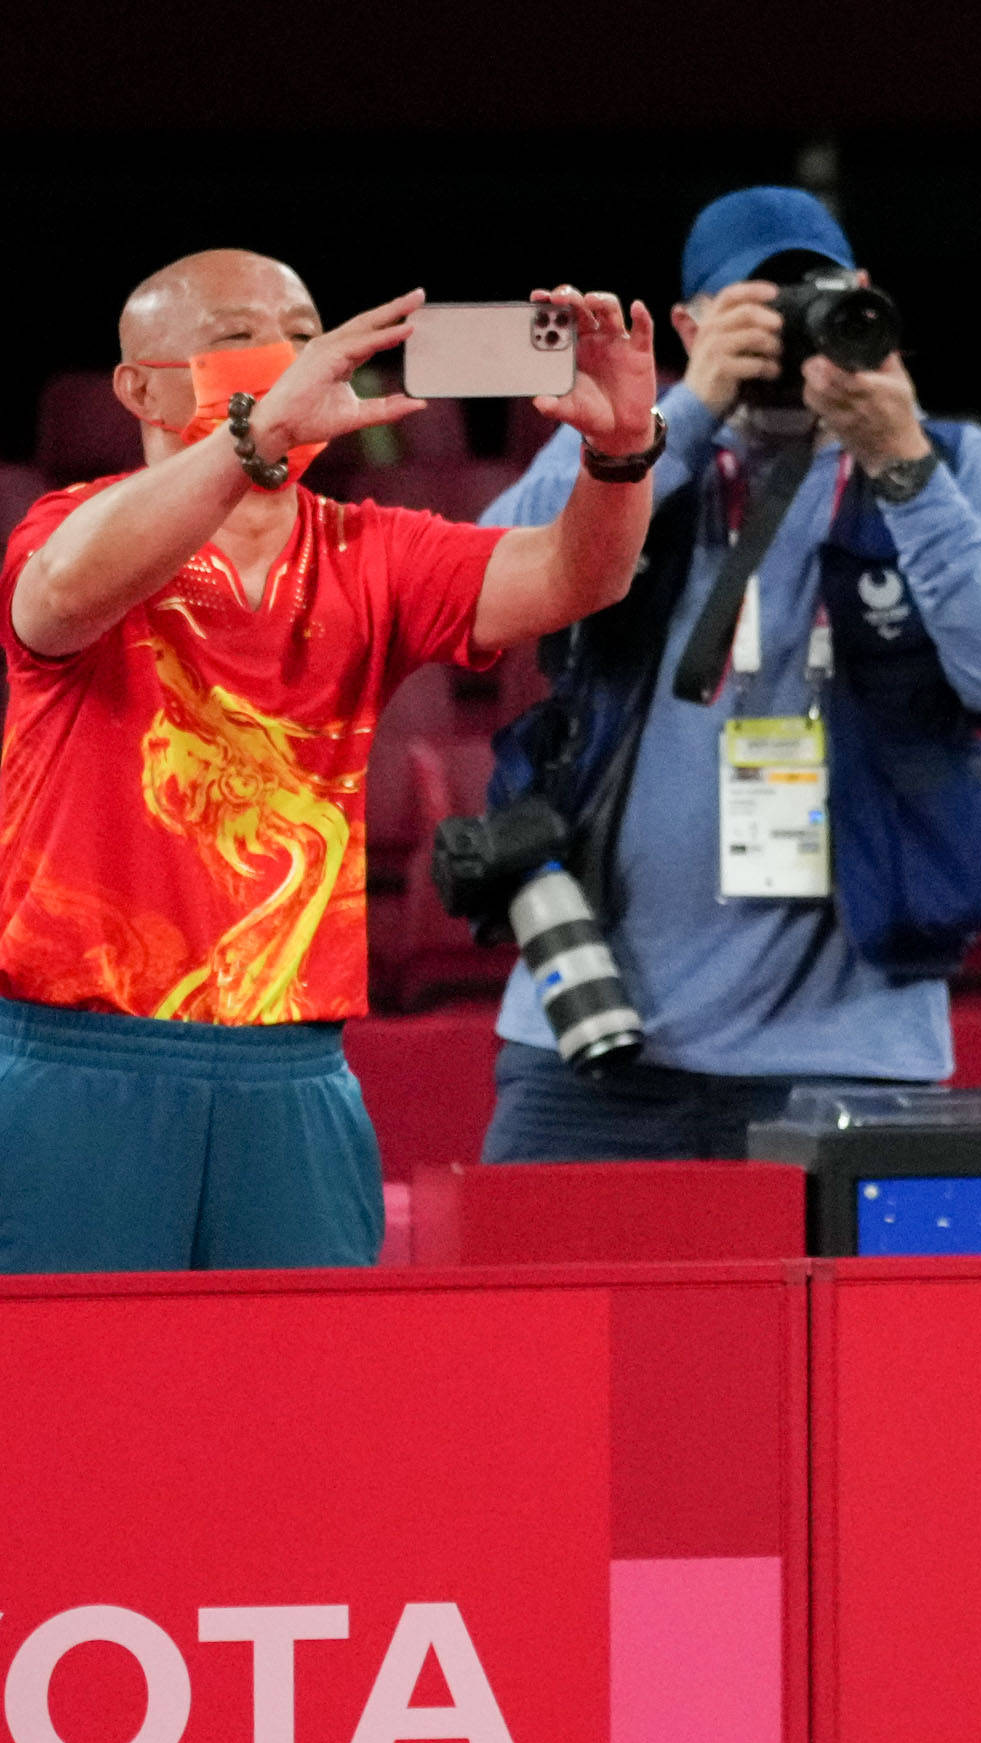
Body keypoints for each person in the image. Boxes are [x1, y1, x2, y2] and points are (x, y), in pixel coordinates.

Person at [0, 255, 658, 1272]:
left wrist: (619, 459)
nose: (287, 357)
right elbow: (62, 595)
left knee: (301, 1404)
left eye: (305, 331)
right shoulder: (70, 525)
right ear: (139, 386)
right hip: (83, 1059)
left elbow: (579, 575)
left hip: (293, 1071)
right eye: (236, 336)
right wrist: (248, 440)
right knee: (71, 1406)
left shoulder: (373, 550)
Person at [475, 187, 981, 1160]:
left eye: (814, 299)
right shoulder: (624, 449)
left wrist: (902, 464)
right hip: (593, 1045)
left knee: (841, 1322)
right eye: (761, 306)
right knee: (543, 1313)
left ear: (864, 300)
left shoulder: (952, 460)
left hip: (853, 1060)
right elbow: (490, 586)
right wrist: (684, 411)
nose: (792, 331)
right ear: (688, 324)